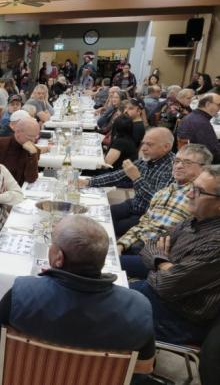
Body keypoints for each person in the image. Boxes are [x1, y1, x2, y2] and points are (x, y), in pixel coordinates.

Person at [0, 215, 155, 375]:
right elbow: (144, 367)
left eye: (52, 243)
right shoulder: (138, 307)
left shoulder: (23, 292)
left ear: (58, 257)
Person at [130, 165, 220, 345]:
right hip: (157, 295)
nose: (189, 194)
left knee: (102, 311)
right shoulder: (194, 220)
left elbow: (167, 284)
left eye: (198, 191)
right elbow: (150, 244)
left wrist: (160, 263)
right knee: (99, 291)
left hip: (179, 319)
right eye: (192, 187)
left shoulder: (216, 241)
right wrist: (164, 263)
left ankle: (135, 371)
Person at [118, 144, 212, 279]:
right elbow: (143, 223)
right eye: (177, 161)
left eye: (187, 163)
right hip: (135, 245)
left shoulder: (199, 197)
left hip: (158, 257)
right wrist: (121, 244)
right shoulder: (163, 192)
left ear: (203, 168)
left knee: (102, 265)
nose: (179, 166)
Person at [82, 128, 175, 237]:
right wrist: (89, 182)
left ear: (166, 147)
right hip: (135, 204)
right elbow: (117, 176)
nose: (143, 148)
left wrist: (137, 178)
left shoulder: (173, 168)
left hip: (149, 215)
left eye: (149, 145)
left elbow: (157, 201)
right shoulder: (148, 159)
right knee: (98, 217)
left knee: (109, 229)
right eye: (143, 143)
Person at [0, 117, 42, 186]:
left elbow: (31, 178)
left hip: (18, 191)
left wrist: (33, 155)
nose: (33, 140)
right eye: (30, 136)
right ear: (18, 132)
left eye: (36, 137)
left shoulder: (33, 150)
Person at [177, 93, 220, 164]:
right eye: (219, 105)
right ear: (208, 104)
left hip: (189, 157)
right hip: (200, 163)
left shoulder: (192, 117)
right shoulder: (202, 123)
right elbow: (214, 153)